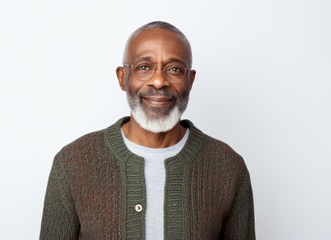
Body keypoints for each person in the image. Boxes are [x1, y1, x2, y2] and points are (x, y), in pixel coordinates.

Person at [40, 21, 255, 240]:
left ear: (190, 80)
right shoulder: (73, 163)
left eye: (174, 69)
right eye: (144, 67)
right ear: (123, 78)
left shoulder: (228, 167)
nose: (159, 81)